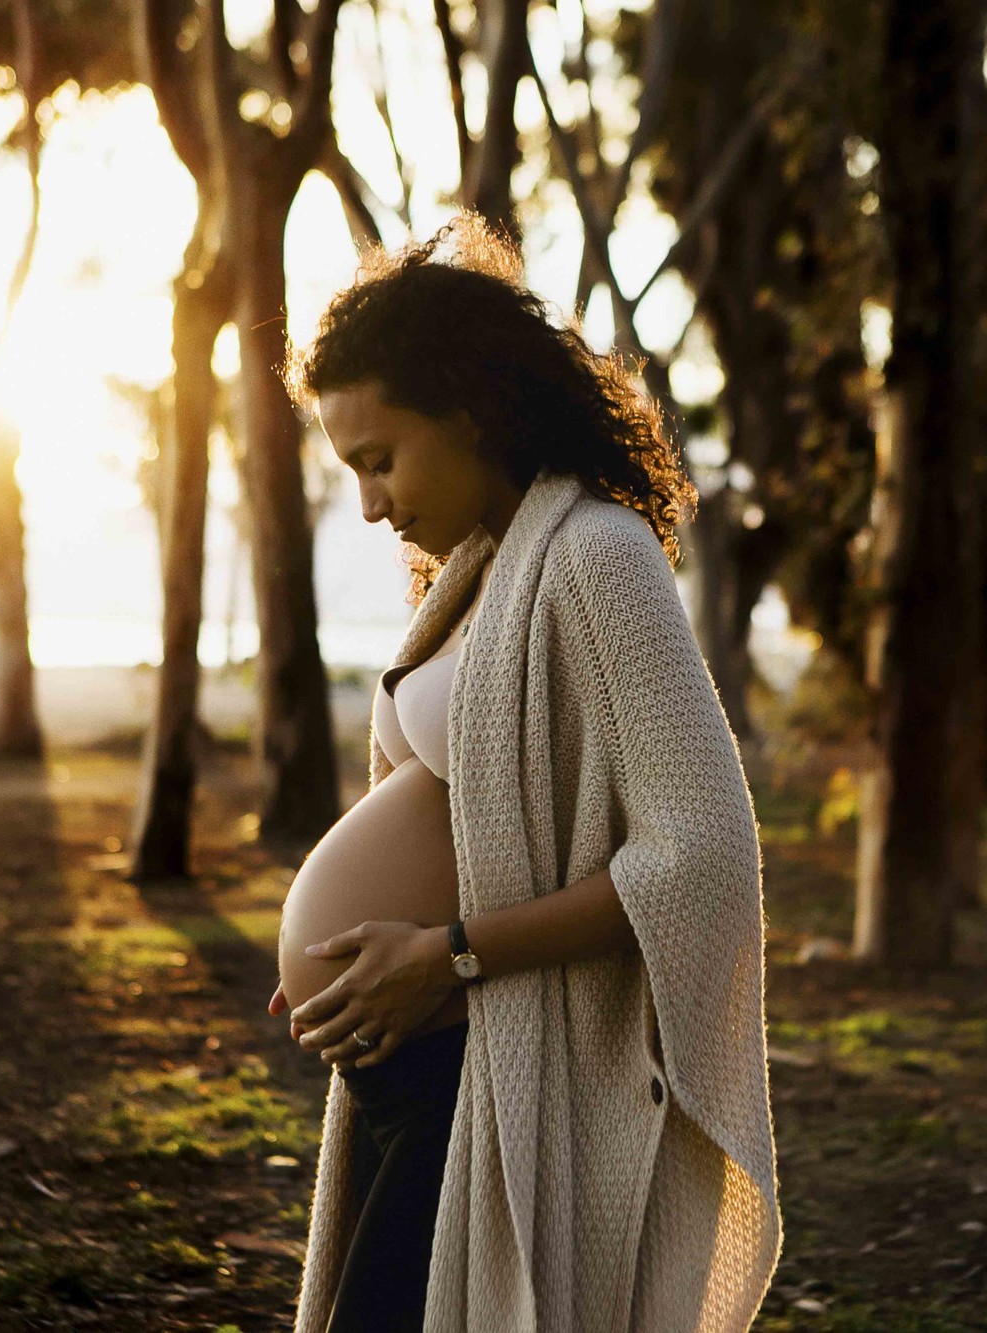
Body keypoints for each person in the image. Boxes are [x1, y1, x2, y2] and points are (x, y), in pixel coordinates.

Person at [269, 216, 781, 1333]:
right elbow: (443, 819)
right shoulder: (473, 574)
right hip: (410, 1071)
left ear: (469, 409)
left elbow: (701, 853)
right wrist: (342, 965)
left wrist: (444, 955)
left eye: (379, 458)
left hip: (486, 1075)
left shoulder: (596, 554)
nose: (366, 502)